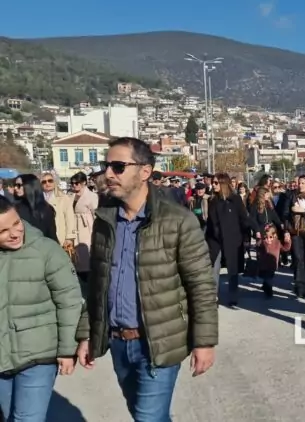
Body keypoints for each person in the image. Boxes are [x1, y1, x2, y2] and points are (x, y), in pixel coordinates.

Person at [75, 137, 218, 421]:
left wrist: (204, 342)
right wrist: (86, 334)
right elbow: (97, 286)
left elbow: (201, 286)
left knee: (147, 418)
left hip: (159, 343)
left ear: (145, 171)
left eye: (118, 166)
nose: (108, 174)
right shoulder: (105, 221)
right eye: (106, 165)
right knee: (148, 415)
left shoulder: (178, 220)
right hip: (118, 343)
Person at [0, 195, 82, 422]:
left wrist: (67, 350)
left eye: (16, 223)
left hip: (39, 354)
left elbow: (69, 301)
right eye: (3, 231)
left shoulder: (47, 251)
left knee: (26, 419)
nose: (14, 233)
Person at [205, 173, 252, 307]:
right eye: (213, 183)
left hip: (232, 239)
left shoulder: (235, 199)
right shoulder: (213, 201)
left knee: (233, 269)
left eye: (216, 183)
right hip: (215, 240)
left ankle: (233, 296)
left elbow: (244, 219)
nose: (213, 185)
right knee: (214, 268)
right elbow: (211, 222)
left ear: (223, 183)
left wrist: (247, 237)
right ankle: (213, 297)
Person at [70, 171, 99, 285]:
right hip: (74, 226)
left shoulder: (92, 196)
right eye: (72, 183)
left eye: (76, 183)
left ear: (83, 183)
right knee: (75, 254)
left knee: (85, 253)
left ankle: (88, 277)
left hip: (86, 227)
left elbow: (95, 213)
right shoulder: (70, 196)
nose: (74, 186)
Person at [13, 174, 58, 242]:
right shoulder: (14, 208)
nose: (15, 188)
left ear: (29, 185)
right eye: (15, 185)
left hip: (43, 246)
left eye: (19, 185)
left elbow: (51, 234)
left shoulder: (47, 208)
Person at [40, 172, 76, 249]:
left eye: (50, 181)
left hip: (60, 237)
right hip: (43, 238)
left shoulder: (63, 198)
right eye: (44, 182)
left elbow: (70, 219)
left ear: (55, 182)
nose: (47, 183)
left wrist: (69, 238)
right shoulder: (39, 199)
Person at [256, 224, 292, 297]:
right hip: (264, 264)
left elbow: (285, 248)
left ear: (274, 236)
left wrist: (288, 242)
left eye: (270, 237)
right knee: (266, 277)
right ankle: (267, 288)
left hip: (272, 265)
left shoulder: (277, 243)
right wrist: (260, 240)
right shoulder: (263, 242)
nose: (268, 239)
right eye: (266, 237)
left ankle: (268, 289)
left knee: (269, 277)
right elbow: (257, 247)